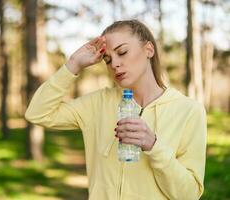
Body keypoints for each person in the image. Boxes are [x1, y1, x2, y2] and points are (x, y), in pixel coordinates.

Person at [25, 19, 207, 200]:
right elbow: (37, 113)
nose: (114, 64)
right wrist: (73, 64)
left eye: (122, 52)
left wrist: (154, 146)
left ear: (149, 50)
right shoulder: (98, 103)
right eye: (107, 59)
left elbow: (189, 195)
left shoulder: (189, 111)